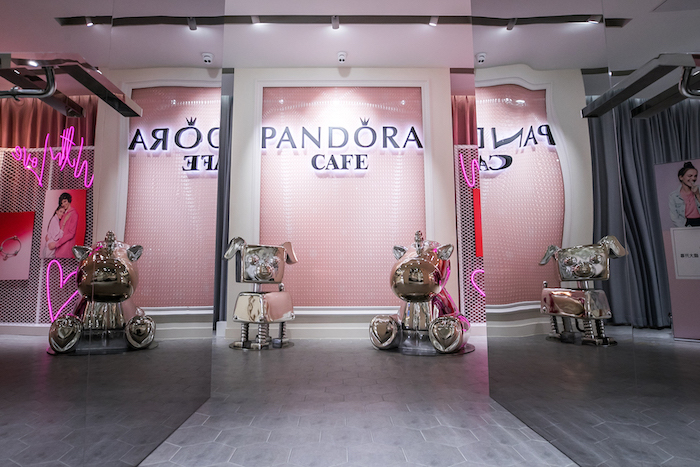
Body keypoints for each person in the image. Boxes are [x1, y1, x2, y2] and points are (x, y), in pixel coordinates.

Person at [48, 192, 79, 258]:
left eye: (65, 201)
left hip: (65, 250)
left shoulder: (73, 214)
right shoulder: (63, 214)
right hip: (56, 249)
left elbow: (71, 234)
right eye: (62, 203)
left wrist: (56, 244)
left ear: (69, 200)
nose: (63, 204)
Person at [669, 161, 700, 227]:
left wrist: (697, 194)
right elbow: (674, 217)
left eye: (695, 176)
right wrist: (683, 229)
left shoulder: (698, 190)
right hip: (685, 224)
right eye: (690, 176)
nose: (693, 178)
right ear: (681, 177)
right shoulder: (674, 196)